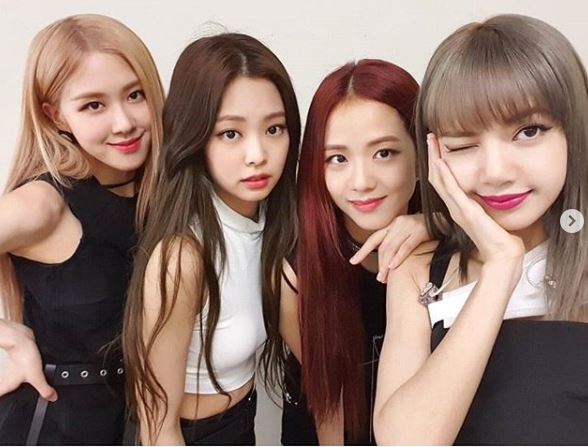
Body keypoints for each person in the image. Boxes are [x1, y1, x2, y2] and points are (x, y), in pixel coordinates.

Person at [374, 14, 588, 445]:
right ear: (435, 154)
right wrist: (501, 266)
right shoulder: (418, 270)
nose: (495, 172)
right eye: (463, 145)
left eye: (528, 131)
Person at [122, 33, 301, 445]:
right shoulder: (183, 257)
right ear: (196, 136)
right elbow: (157, 428)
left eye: (274, 128)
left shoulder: (271, 221)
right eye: (230, 134)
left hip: (242, 423)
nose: (257, 154)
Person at [0, 14, 164, 445]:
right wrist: (7, 338)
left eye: (135, 95)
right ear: (55, 116)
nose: (124, 122)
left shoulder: (162, 193)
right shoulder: (43, 205)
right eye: (94, 105)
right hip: (48, 427)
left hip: (130, 426)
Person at [279, 59, 429, 445]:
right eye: (338, 159)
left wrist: (434, 225)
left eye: (384, 153)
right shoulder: (297, 271)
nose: (361, 182)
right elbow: (329, 405)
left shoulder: (449, 248)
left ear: (421, 157)